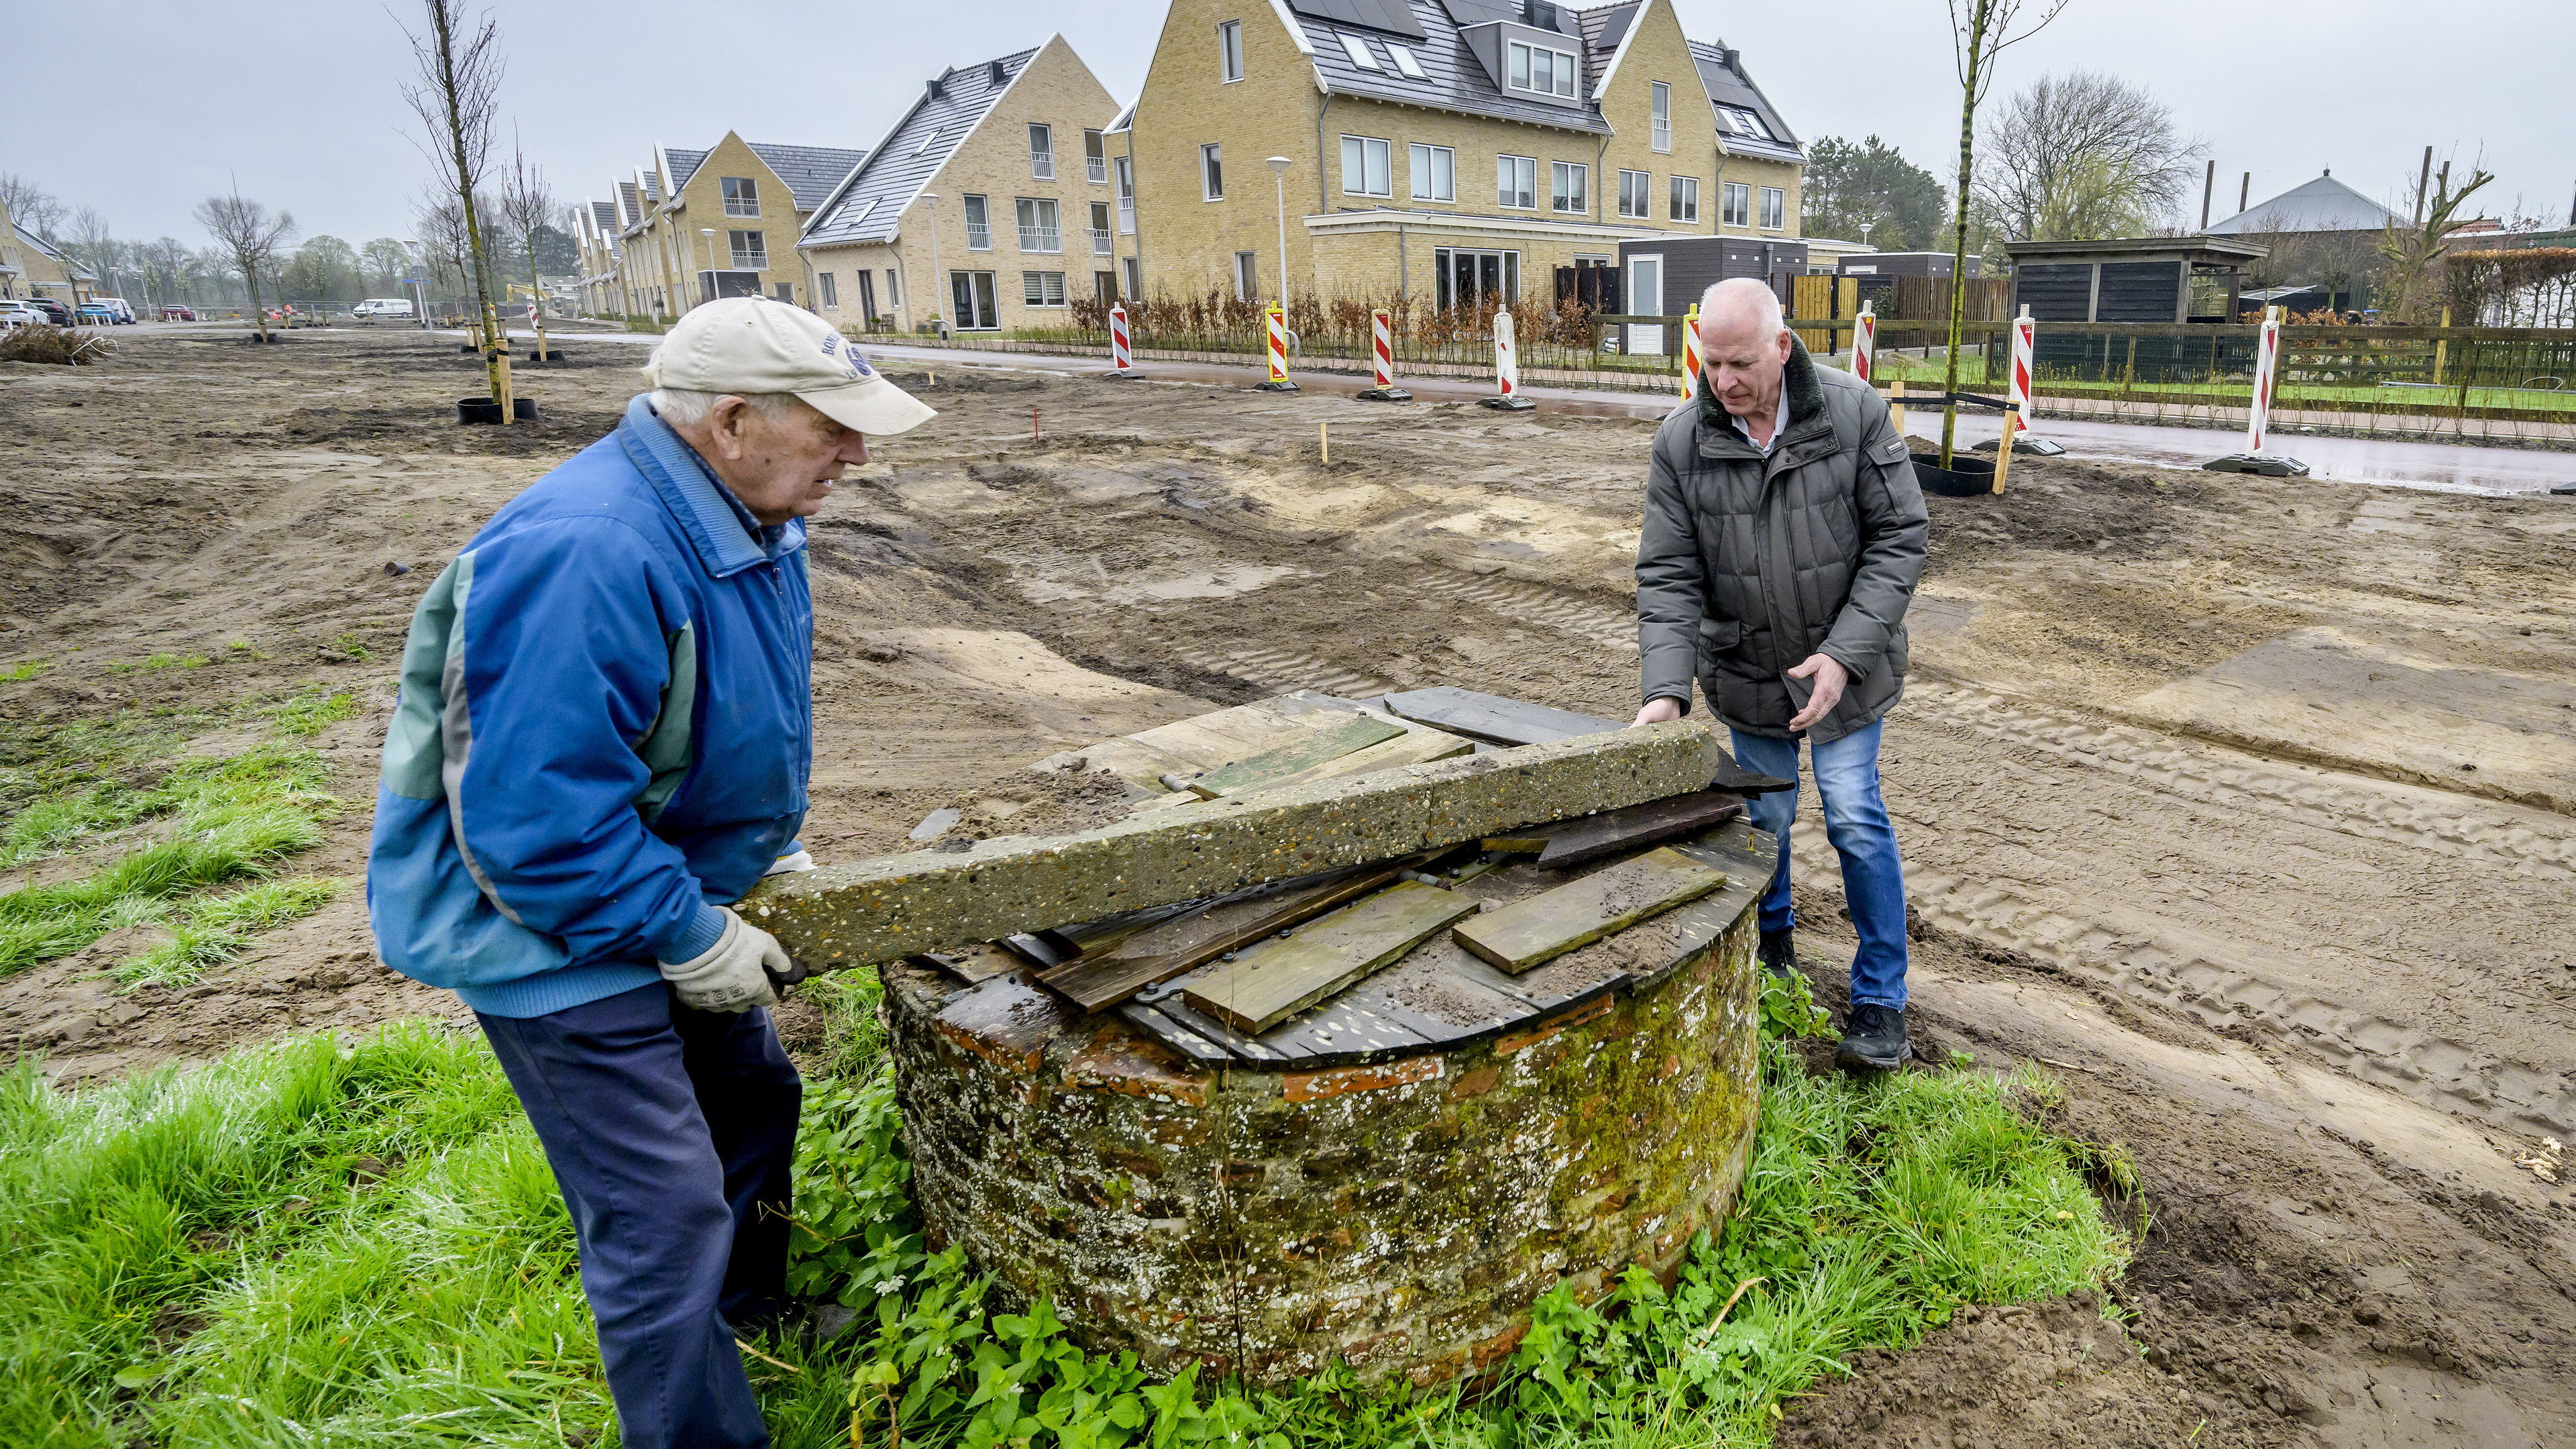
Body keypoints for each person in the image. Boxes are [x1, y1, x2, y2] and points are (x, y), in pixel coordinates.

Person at [366, 298, 933, 1448]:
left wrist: (760, 851)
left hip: (661, 872)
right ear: (731, 422)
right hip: (538, 922)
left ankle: (749, 1307)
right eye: (834, 427)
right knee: (660, 1210)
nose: (858, 454)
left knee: (753, 1098)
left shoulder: (753, 520)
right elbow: (533, 826)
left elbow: (722, 718)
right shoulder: (586, 552)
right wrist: (687, 932)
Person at [1631, 278, 1929, 1071]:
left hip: (1846, 669)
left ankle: (1880, 998)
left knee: (1855, 816)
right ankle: (1771, 956)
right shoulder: (1682, 441)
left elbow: (1900, 537)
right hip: (1747, 669)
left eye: (1739, 364)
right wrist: (1665, 689)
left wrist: (1844, 654)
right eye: (1711, 362)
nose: (1723, 381)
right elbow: (1667, 575)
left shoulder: (1854, 413)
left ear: (1782, 348)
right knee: (1761, 823)